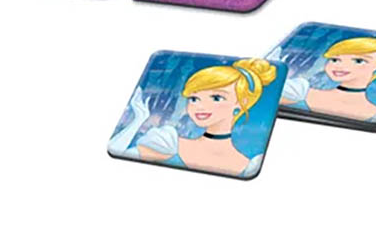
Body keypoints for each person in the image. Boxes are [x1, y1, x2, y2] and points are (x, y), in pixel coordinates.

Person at [108, 58, 277, 177]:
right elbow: (117, 148)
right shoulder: (168, 142)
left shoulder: (249, 164)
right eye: (194, 99)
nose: (200, 106)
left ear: (242, 102)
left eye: (216, 98)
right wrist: (138, 120)